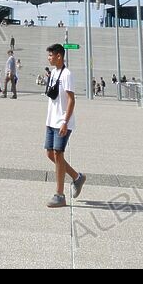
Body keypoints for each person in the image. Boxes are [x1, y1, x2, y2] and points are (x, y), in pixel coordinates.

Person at [44, 43, 85, 208]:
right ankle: (77, 177)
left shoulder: (67, 74)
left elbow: (71, 100)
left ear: (59, 56)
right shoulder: (54, 72)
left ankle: (59, 195)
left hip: (62, 122)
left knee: (58, 153)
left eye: (51, 55)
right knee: (50, 154)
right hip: (51, 120)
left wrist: (65, 122)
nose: (49, 58)